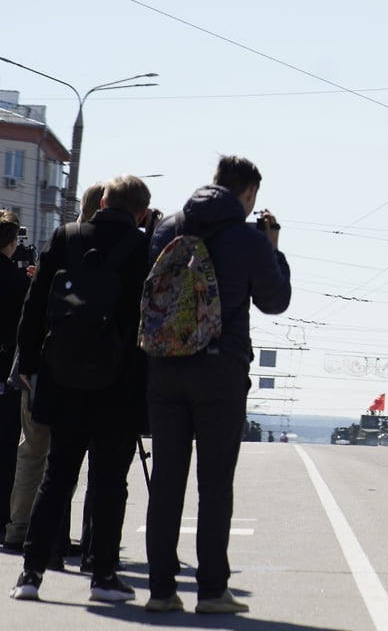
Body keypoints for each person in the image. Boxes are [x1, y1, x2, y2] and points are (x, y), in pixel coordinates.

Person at [144, 155, 291, 615]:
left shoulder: (167, 228)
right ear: (247, 195)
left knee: (167, 481)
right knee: (215, 483)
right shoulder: (247, 238)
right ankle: (211, 591)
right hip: (220, 371)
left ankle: (161, 591)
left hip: (165, 367)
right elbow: (275, 300)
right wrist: (273, 247)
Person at [10, 175, 152, 603]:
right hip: (119, 385)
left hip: (63, 377)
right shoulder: (145, 249)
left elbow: (35, 306)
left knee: (57, 477)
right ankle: (104, 576)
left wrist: (29, 365)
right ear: (141, 212)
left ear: (102, 200)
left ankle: (30, 574)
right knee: (110, 482)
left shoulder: (65, 236)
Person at [0, 210, 31, 543]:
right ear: (11, 242)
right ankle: (4, 518)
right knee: (8, 448)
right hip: (6, 370)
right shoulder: (17, 280)